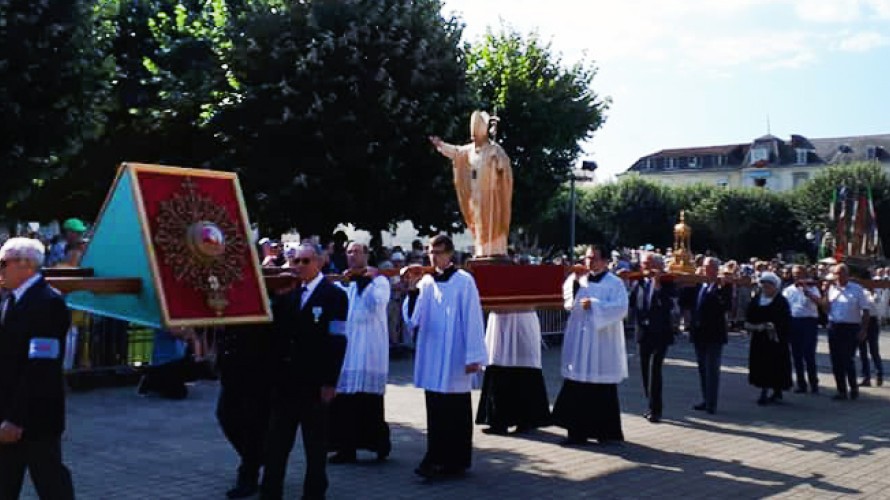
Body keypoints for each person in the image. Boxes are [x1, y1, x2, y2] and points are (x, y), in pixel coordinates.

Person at [261, 243, 348, 500]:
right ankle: (270, 493)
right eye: (296, 261)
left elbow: (337, 340)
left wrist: (330, 381)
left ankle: (314, 493)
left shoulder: (334, 295)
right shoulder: (289, 295)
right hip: (286, 383)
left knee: (315, 446)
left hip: (314, 383)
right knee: (276, 444)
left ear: (319, 262)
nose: (299, 266)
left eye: (305, 261)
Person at [402, 235, 487, 479]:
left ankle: (456, 460)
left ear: (450, 254)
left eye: (438, 252)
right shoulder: (427, 282)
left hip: (455, 355)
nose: (433, 257)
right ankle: (435, 457)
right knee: (436, 408)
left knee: (456, 409)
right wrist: (412, 291)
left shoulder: (464, 280)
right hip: (433, 353)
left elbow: (472, 318)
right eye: (430, 252)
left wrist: (473, 356)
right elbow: (414, 319)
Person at [0, 237, 75, 499]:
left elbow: (40, 368)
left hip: (35, 418)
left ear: (26, 264)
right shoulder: (11, 300)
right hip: (9, 411)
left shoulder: (47, 303)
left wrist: (16, 419)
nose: (0, 270)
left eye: (3, 263)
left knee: (50, 483)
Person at [552, 244, 629, 445]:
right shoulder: (579, 279)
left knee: (601, 386)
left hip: (601, 342)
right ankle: (576, 432)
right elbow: (568, 302)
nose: (589, 261)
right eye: (587, 257)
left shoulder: (614, 282)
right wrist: (575, 281)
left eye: (593, 258)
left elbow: (621, 308)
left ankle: (605, 432)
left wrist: (594, 305)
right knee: (577, 383)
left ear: (605, 261)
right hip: (580, 339)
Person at [328, 242, 392, 464]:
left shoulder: (379, 281)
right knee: (345, 401)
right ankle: (346, 448)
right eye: (349, 252)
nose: (352, 256)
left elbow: (377, 303)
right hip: (348, 349)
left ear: (366, 255)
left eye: (356, 252)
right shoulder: (345, 282)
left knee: (368, 401)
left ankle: (379, 444)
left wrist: (366, 280)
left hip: (369, 349)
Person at [430, 110, 513, 257]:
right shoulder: (469, 150)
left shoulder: (494, 149)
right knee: (478, 222)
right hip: (476, 194)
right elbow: (456, 152)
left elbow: (504, 168)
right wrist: (441, 145)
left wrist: (498, 162)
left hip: (491, 194)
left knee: (493, 221)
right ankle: (482, 249)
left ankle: (495, 249)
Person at [216, 323, 273, 499]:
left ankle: (249, 476)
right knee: (226, 415)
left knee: (253, 424)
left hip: (257, 367)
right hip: (232, 366)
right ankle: (260, 457)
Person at [475, 308, 551, 435]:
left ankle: (526, 420)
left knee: (524, 364)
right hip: (500, 318)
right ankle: (498, 421)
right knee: (499, 364)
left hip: (524, 316)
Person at [628, 252, 676, 423]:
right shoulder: (639, 282)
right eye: (643, 264)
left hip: (660, 333)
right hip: (643, 332)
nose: (645, 267)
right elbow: (632, 302)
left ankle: (656, 410)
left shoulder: (667, 282)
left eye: (649, 264)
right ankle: (650, 404)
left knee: (655, 370)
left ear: (658, 265)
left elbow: (669, 305)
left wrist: (657, 286)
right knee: (644, 371)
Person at [685, 257, 731, 414]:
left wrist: (721, 288)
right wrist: (688, 283)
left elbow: (726, 305)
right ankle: (706, 399)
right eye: (705, 267)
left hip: (714, 334)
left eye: (710, 267)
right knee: (702, 369)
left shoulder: (722, 285)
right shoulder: (699, 284)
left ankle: (712, 403)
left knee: (712, 369)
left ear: (716, 269)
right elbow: (685, 302)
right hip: (699, 333)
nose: (706, 270)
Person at [819, 264, 870, 401]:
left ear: (847, 274)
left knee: (847, 359)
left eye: (841, 273)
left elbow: (865, 311)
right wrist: (825, 292)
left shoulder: (857, 289)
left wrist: (863, 330)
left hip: (851, 327)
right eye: (836, 274)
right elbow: (825, 309)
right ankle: (841, 390)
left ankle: (853, 388)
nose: (838, 276)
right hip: (834, 327)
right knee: (836, 361)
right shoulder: (831, 289)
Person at [745, 272, 793, 405]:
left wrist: (774, 326)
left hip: (776, 339)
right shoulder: (757, 300)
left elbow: (785, 320)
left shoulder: (781, 302)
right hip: (759, 338)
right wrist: (755, 326)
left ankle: (776, 390)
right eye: (764, 286)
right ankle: (764, 389)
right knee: (762, 365)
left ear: (775, 287)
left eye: (768, 286)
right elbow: (749, 316)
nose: (765, 288)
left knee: (775, 365)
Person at [781, 265, 822, 393]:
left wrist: (807, 292)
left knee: (809, 354)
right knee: (796, 354)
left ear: (805, 274)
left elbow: (819, 302)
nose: (796, 276)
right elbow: (784, 306)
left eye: (799, 273)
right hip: (794, 322)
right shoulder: (788, 290)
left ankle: (813, 383)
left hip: (809, 322)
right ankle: (801, 384)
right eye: (794, 274)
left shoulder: (812, 288)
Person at [136, 328, 191, 400]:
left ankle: (152, 381)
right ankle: (151, 381)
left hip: (175, 362)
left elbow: (185, 336)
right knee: (179, 393)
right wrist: (189, 328)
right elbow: (176, 333)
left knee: (180, 391)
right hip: (165, 363)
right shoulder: (165, 322)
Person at [858, 288, 883, 387]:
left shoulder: (877, 291)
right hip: (861, 320)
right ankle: (866, 377)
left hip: (872, 320)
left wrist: (872, 293)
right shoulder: (860, 291)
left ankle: (879, 373)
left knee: (874, 350)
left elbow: (877, 305)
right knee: (862, 351)